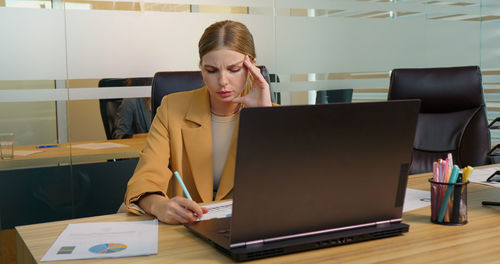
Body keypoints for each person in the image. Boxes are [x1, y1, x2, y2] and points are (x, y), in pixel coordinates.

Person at [124, 20, 273, 224]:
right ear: (201, 68)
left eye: (234, 69)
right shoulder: (172, 108)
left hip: (249, 226)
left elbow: (291, 187)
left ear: (252, 67)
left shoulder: (272, 114)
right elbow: (145, 176)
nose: (222, 81)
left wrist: (263, 119)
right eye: (211, 70)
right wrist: (159, 205)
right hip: (185, 228)